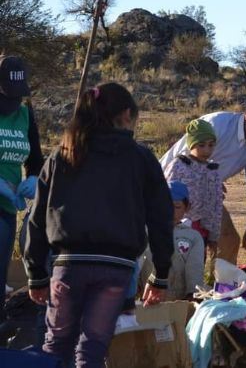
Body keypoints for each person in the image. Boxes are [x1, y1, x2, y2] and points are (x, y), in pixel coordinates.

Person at [23, 82, 174, 368]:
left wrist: (35, 274)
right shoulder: (140, 158)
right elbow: (161, 219)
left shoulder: (62, 155)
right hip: (115, 268)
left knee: (55, 346)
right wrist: (161, 274)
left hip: (68, 263)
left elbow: (39, 217)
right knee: (92, 348)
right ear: (127, 114)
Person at [160, 95, 246, 264]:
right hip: (172, 190)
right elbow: (180, 160)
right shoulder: (217, 123)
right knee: (175, 241)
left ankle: (221, 287)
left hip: (208, 195)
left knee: (229, 240)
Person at [0, 56, 44, 322]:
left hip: (7, 208)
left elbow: (35, 158)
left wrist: (34, 178)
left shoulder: (25, 115)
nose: (11, 105)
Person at [163, 118, 223, 259]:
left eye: (211, 145)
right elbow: (164, 196)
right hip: (178, 229)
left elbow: (217, 205)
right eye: (201, 145)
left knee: (195, 266)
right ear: (191, 145)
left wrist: (214, 236)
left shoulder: (213, 171)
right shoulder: (179, 165)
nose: (206, 150)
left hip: (202, 232)